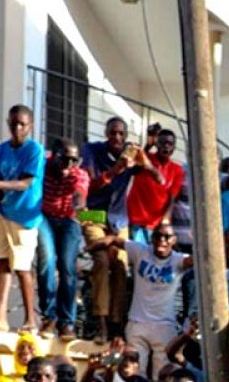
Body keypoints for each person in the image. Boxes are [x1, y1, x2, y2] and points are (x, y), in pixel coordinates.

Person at [88, 224, 191, 377]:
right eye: (157, 236)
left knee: (162, 375)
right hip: (137, 322)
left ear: (174, 240)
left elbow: (201, 259)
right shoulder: (141, 250)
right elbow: (115, 240)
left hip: (164, 326)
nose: (161, 240)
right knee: (134, 374)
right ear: (152, 238)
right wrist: (89, 248)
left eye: (167, 237)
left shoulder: (178, 260)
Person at [0, 105, 45, 331]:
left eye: (22, 124)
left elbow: (24, 183)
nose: (17, 128)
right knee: (1, 263)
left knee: (23, 267)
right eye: (14, 123)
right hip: (2, 213)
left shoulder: (35, 150)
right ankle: (0, 316)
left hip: (25, 217)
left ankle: (30, 319)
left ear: (30, 126)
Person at [82, 117, 134, 340]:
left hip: (119, 220)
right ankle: (101, 322)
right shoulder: (92, 151)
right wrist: (116, 169)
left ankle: (116, 324)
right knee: (102, 261)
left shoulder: (131, 155)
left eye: (121, 134)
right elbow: (91, 185)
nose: (117, 137)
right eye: (113, 133)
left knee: (121, 264)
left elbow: (156, 176)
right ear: (106, 132)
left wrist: (145, 150)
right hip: (92, 214)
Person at [36, 139, 88, 339]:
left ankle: (67, 322)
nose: (69, 165)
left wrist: (79, 202)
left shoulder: (78, 173)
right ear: (54, 155)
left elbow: (80, 193)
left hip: (69, 220)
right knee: (47, 261)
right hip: (44, 218)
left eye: (74, 160)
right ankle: (49, 316)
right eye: (65, 159)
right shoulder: (42, 166)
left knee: (67, 268)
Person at [125, 126, 185, 242]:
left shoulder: (177, 170)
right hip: (137, 218)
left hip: (157, 223)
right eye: (162, 142)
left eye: (169, 143)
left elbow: (172, 197)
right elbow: (136, 166)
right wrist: (148, 145)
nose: (166, 146)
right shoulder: (147, 158)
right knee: (138, 255)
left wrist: (166, 219)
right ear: (157, 144)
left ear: (174, 148)